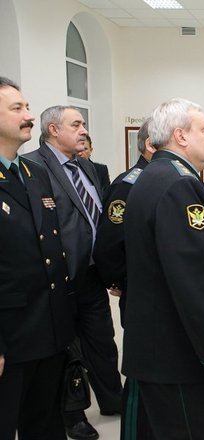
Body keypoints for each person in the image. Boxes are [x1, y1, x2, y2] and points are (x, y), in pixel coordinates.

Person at [122, 98, 204, 439]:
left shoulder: (154, 176)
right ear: (181, 136)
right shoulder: (179, 185)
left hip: (158, 350)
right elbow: (195, 285)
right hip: (179, 357)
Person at [25, 105, 123, 440]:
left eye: (83, 124)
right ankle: (73, 413)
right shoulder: (33, 167)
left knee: (103, 341)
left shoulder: (86, 166)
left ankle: (113, 398)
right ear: (53, 130)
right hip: (60, 278)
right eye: (76, 124)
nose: (84, 130)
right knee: (68, 351)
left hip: (92, 274)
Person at [0, 77, 75, 440]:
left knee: (45, 424)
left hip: (48, 329)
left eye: (27, 107)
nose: (29, 116)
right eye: (17, 108)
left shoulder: (35, 174)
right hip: (10, 335)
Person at [92, 117, 156, 440]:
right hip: (139, 289)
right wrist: (119, 280)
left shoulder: (162, 179)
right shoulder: (129, 184)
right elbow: (109, 242)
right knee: (141, 369)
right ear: (150, 145)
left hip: (157, 289)